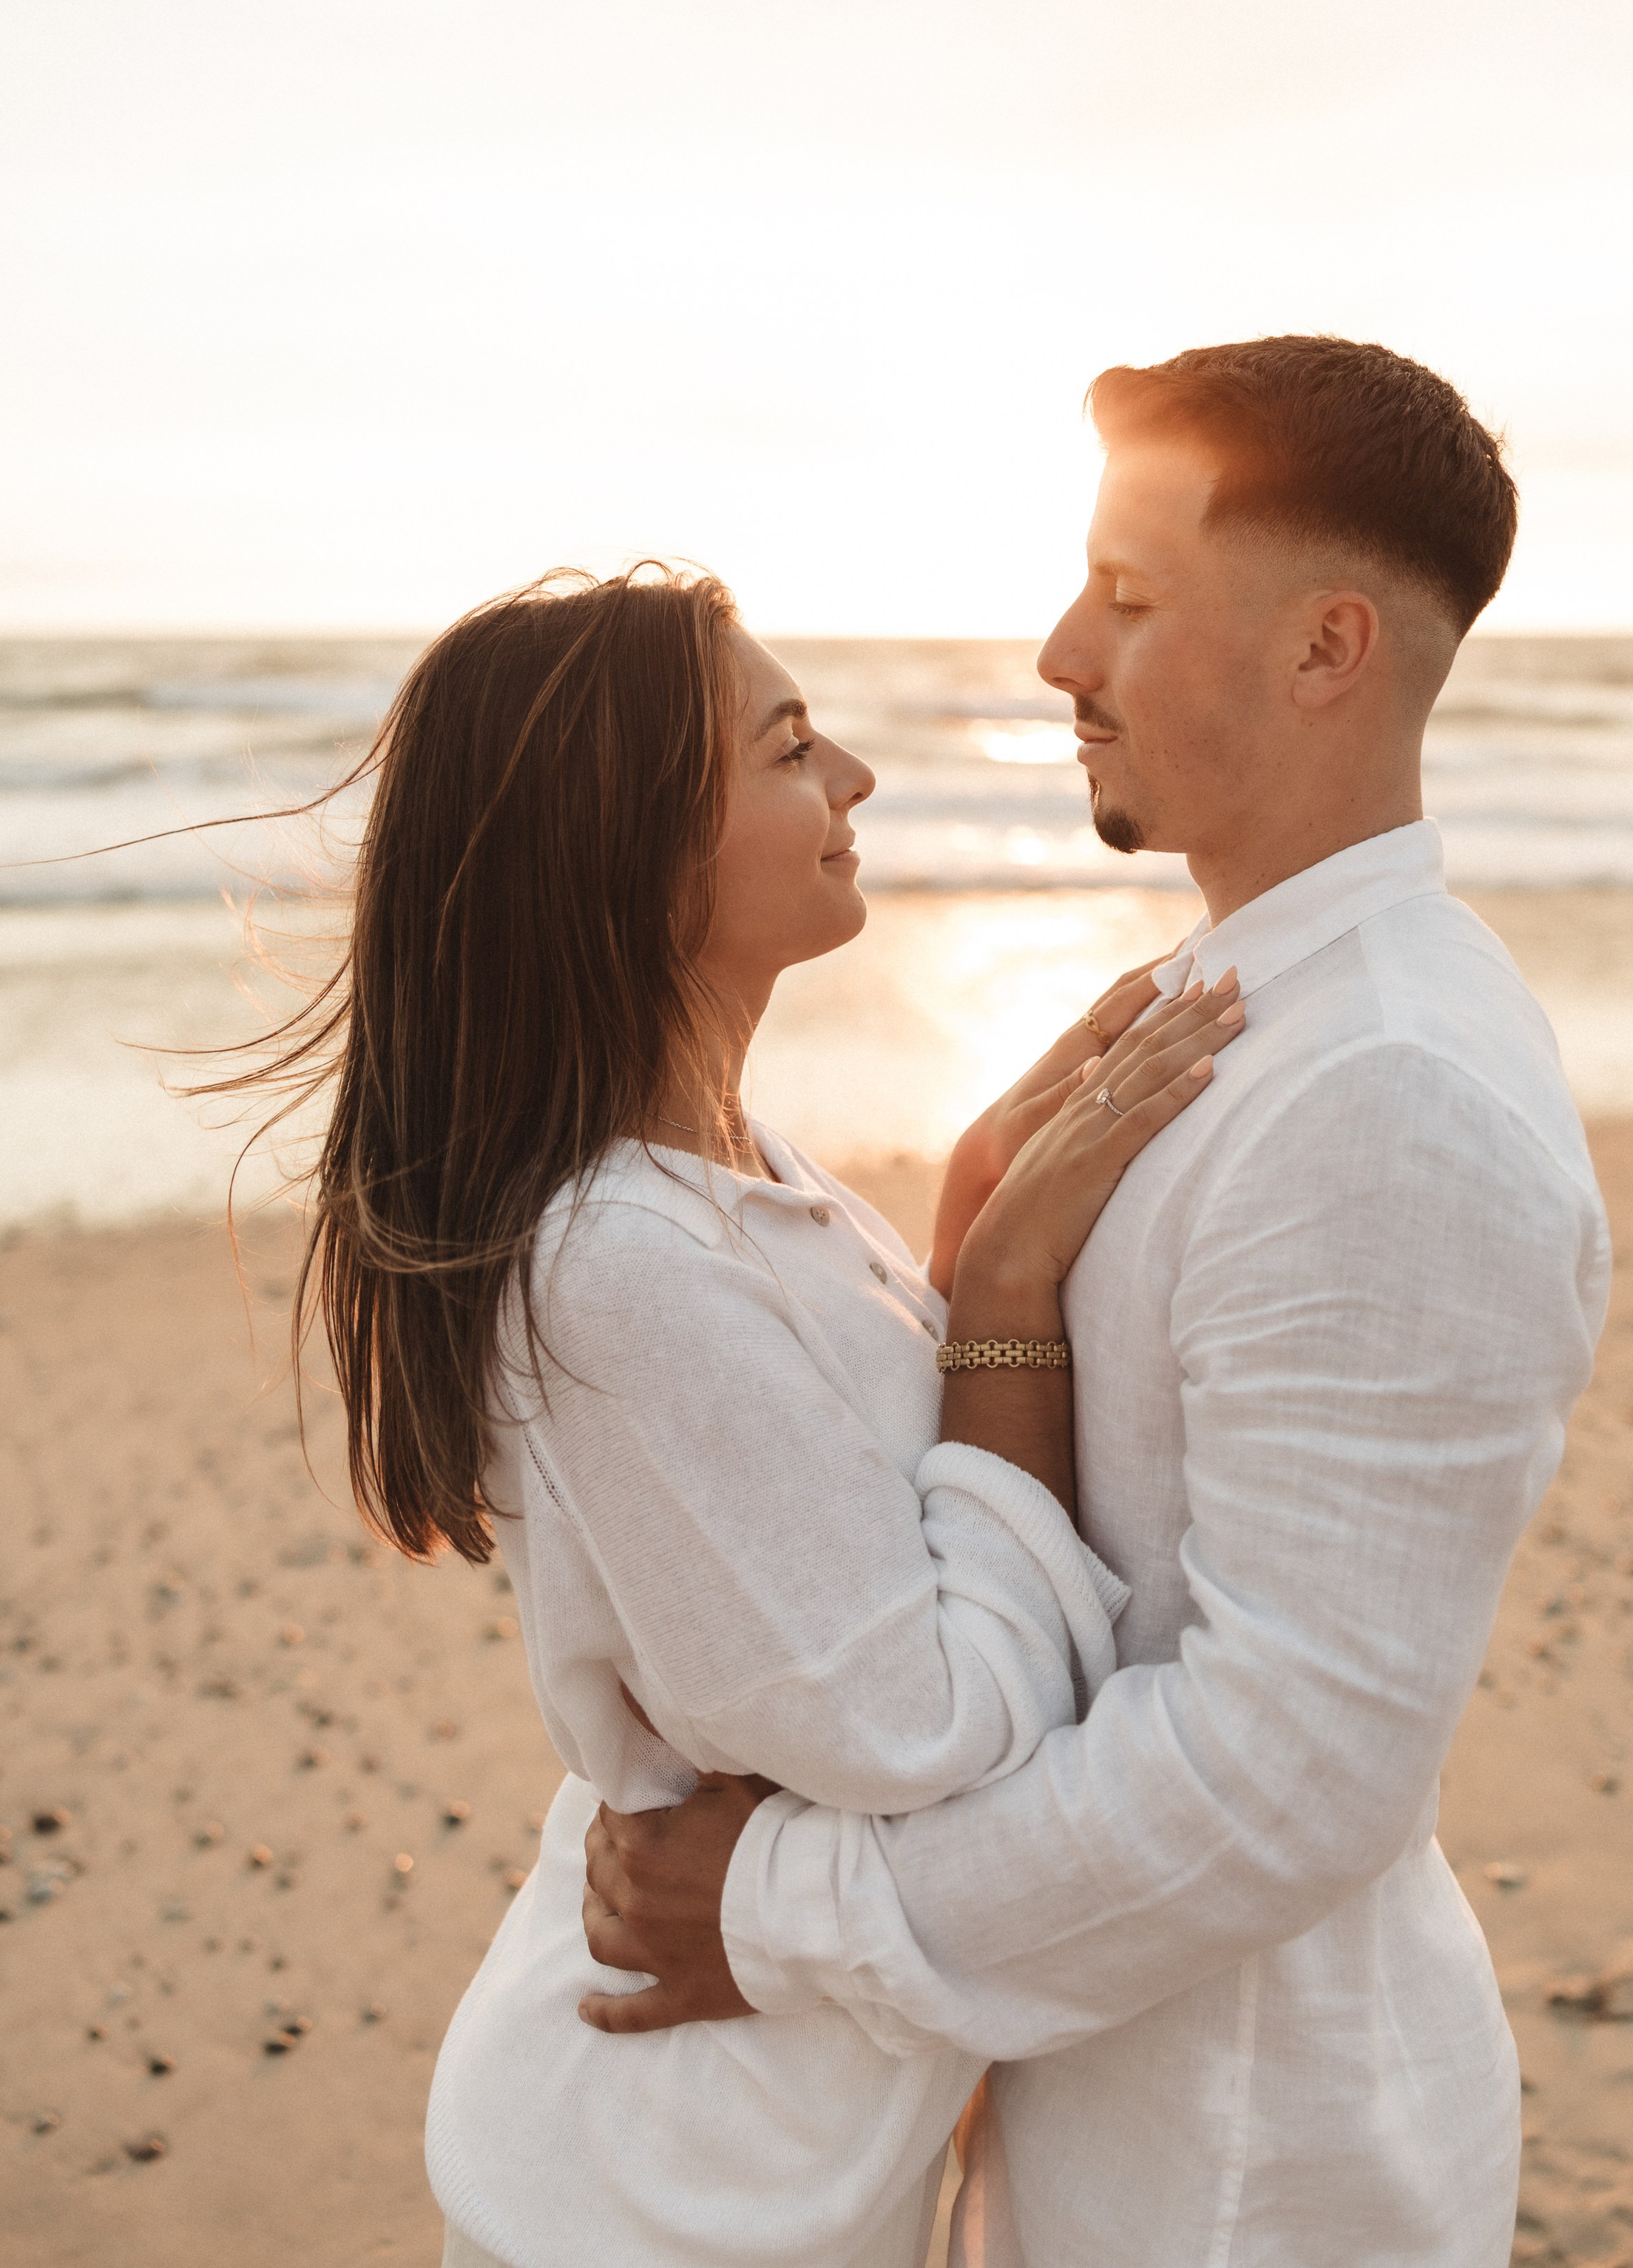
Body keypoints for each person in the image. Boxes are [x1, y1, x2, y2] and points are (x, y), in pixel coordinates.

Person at [578, 337, 1613, 2268]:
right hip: (1111, 2104)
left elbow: (1286, 1767)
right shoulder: (1249, 1013)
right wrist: (986, 1255)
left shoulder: (1392, 1092)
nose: (1059, 653)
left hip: (1245, 2173)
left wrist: (778, 1914)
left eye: (1127, 601)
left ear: (1326, 650)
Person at [220, 561, 1245, 2268]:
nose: (851, 779)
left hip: (763, 2142)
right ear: (631, 848)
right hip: (663, 2189)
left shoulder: (736, 1175)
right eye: (786, 749)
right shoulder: (615, 1257)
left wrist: (966, 1216)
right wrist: (995, 1297)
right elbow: (926, 1730)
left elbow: (845, 1496)